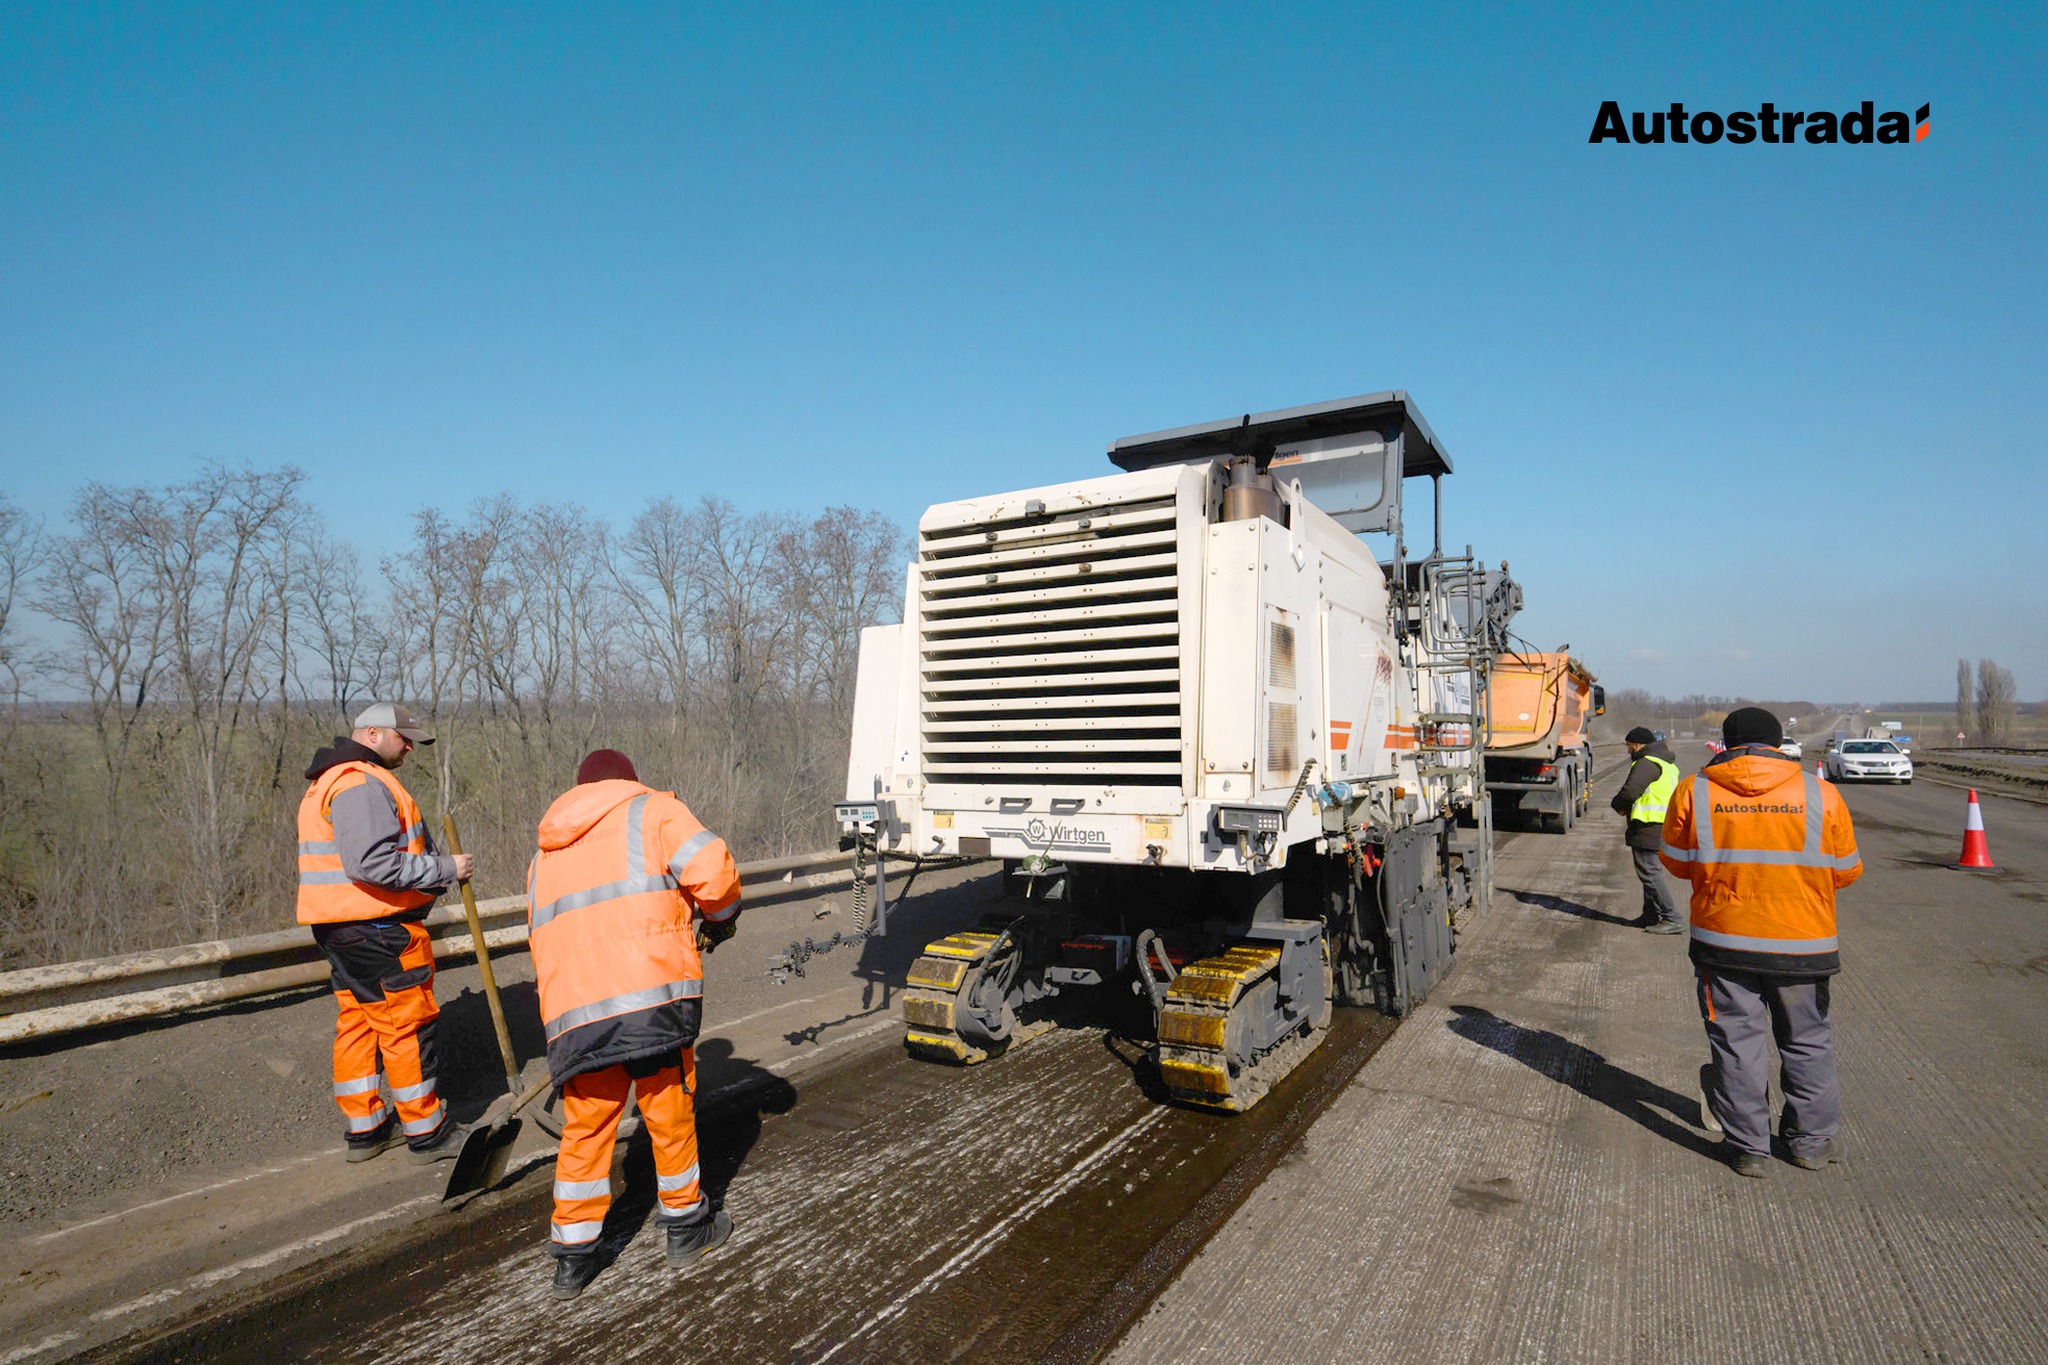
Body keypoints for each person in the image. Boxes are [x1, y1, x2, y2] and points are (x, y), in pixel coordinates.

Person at [528, 748, 743, 1300]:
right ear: (628, 779)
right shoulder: (653, 812)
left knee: (587, 1127)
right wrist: (719, 921)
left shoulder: (544, 854)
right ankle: (686, 1229)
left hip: (575, 1015)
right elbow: (714, 874)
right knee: (668, 1113)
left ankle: (573, 1259)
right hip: (649, 1001)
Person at [1659, 706, 1862, 1178]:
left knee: (1736, 1043)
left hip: (1724, 944)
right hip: (1803, 946)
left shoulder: (1695, 790)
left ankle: (1750, 1148)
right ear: (1777, 742)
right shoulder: (1821, 793)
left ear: (1727, 743)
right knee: (1808, 1042)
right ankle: (1809, 1144)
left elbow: (1674, 860)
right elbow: (1847, 871)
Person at [297, 702, 473, 1164]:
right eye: (404, 738)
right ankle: (427, 1132)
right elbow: (372, 863)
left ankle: (367, 1128)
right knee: (406, 1026)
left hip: (344, 929)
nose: (411, 747)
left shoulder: (332, 780)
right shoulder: (359, 783)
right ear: (373, 733)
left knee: (359, 1023)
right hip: (378, 929)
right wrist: (445, 868)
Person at [1611, 726, 1684, 933]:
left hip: (1648, 825)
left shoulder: (1646, 763)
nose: (1628, 751)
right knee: (1650, 871)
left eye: (1629, 746)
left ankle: (1672, 918)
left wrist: (1619, 806)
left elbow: (1630, 791)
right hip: (1662, 824)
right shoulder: (1666, 762)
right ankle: (1651, 915)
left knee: (1649, 872)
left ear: (1637, 744)